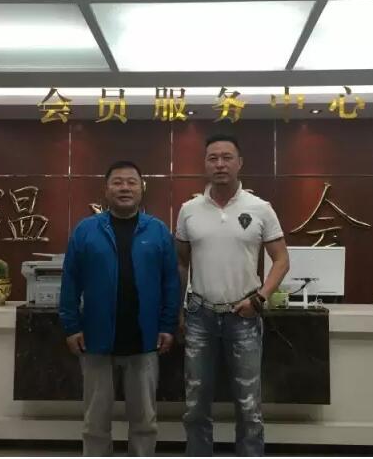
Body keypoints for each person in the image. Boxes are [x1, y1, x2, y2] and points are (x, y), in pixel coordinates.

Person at [176, 134, 290, 456]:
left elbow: (281, 260)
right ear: (205, 164)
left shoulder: (260, 208)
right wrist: (178, 309)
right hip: (199, 316)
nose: (220, 164)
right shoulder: (188, 210)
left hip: (244, 316)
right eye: (213, 158)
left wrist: (260, 299)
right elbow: (181, 263)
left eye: (227, 157)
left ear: (240, 163)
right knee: (195, 404)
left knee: (249, 405)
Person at [60, 160, 181, 456]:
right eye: (117, 182)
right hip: (96, 339)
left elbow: (171, 282)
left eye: (131, 182)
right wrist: (71, 326)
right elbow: (70, 281)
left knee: (144, 420)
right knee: (95, 421)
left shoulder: (158, 231)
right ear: (106, 189)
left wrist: (167, 325)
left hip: (144, 339)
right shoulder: (86, 230)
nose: (125, 188)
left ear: (142, 189)